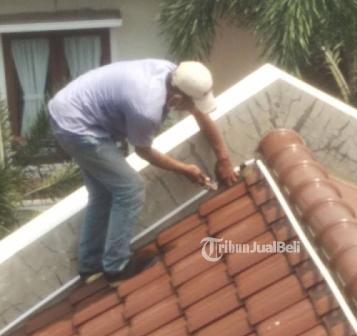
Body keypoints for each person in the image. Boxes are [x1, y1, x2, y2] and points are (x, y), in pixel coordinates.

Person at [48, 59, 237, 286]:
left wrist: (223, 158)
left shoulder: (173, 74)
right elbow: (144, 151)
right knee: (131, 188)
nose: (191, 109)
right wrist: (185, 169)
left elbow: (200, 113)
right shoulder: (146, 108)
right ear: (177, 99)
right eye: (188, 105)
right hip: (76, 126)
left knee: (102, 193)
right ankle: (116, 267)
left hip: (70, 109)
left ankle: (90, 266)